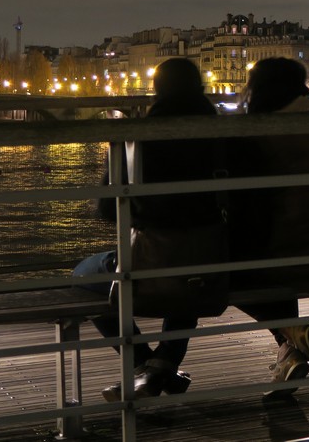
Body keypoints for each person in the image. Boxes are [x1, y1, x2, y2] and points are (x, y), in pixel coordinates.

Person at [72, 58, 221, 402]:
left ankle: (143, 364)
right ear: (199, 88)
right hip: (212, 258)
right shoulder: (223, 134)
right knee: (190, 272)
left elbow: (108, 210)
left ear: (157, 91)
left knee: (82, 277)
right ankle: (163, 362)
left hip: (150, 260)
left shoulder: (138, 137)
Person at [230, 57, 309, 394]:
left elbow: (247, 205)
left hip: (290, 251)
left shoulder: (260, 132)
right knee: (275, 247)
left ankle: (292, 334)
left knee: (222, 272)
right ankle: (290, 350)